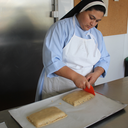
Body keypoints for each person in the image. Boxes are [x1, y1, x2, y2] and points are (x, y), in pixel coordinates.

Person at [35, 0, 110, 101]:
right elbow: (52, 61)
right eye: (91, 18)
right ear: (82, 10)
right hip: (58, 87)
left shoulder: (97, 34)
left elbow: (104, 59)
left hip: (84, 89)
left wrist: (96, 73)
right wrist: (75, 77)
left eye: (97, 21)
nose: (93, 23)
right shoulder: (60, 28)